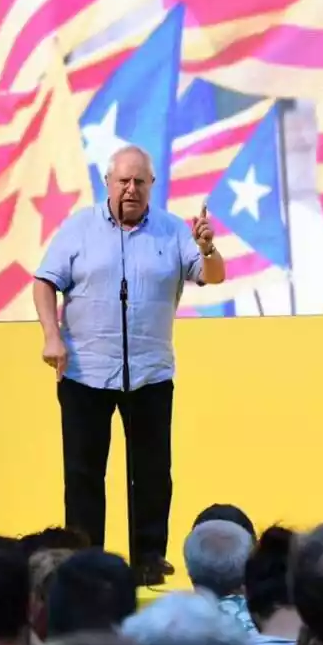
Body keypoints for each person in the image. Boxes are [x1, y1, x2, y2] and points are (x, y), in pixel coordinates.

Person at [33, 144, 226, 585]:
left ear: (152, 186)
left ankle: (148, 559)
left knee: (153, 474)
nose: (131, 190)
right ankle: (84, 562)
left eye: (140, 182)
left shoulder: (174, 231)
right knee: (83, 474)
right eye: (123, 181)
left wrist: (208, 248)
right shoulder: (79, 229)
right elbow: (44, 281)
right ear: (108, 183)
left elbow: (211, 275)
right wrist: (51, 335)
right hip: (85, 373)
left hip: (149, 373)